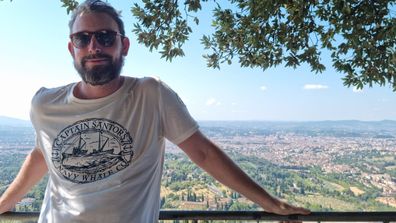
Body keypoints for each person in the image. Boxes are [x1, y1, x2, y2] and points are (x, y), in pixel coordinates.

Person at [0, 0, 310, 222]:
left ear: (124, 45)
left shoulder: (151, 94)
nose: (94, 46)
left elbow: (202, 153)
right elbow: (43, 154)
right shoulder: (44, 104)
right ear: (72, 48)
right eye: (83, 38)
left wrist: (269, 202)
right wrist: (5, 202)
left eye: (105, 37)